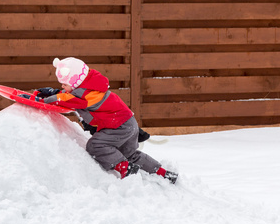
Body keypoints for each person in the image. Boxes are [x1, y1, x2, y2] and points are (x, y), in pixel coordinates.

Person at [20, 57, 178, 183]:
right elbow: (69, 95)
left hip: (119, 126)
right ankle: (163, 173)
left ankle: (126, 169)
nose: (63, 86)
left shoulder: (84, 95)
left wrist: (41, 100)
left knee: (95, 145)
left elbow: (65, 100)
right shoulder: (92, 86)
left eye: (64, 84)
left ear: (75, 82)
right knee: (130, 154)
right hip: (127, 123)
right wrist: (53, 92)